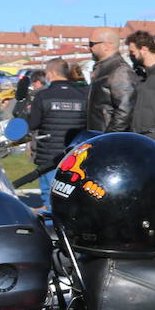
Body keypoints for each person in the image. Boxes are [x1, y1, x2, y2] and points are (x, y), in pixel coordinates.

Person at [27, 58, 88, 204]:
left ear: (51, 73)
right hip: (76, 157)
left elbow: (33, 124)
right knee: (74, 197)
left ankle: (50, 226)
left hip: (48, 157)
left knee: (50, 198)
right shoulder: (83, 95)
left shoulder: (43, 96)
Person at [85, 27, 136, 132]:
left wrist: (108, 138)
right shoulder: (102, 69)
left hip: (109, 141)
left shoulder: (120, 70)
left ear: (106, 45)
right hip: (96, 137)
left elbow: (124, 112)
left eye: (91, 44)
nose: (89, 48)